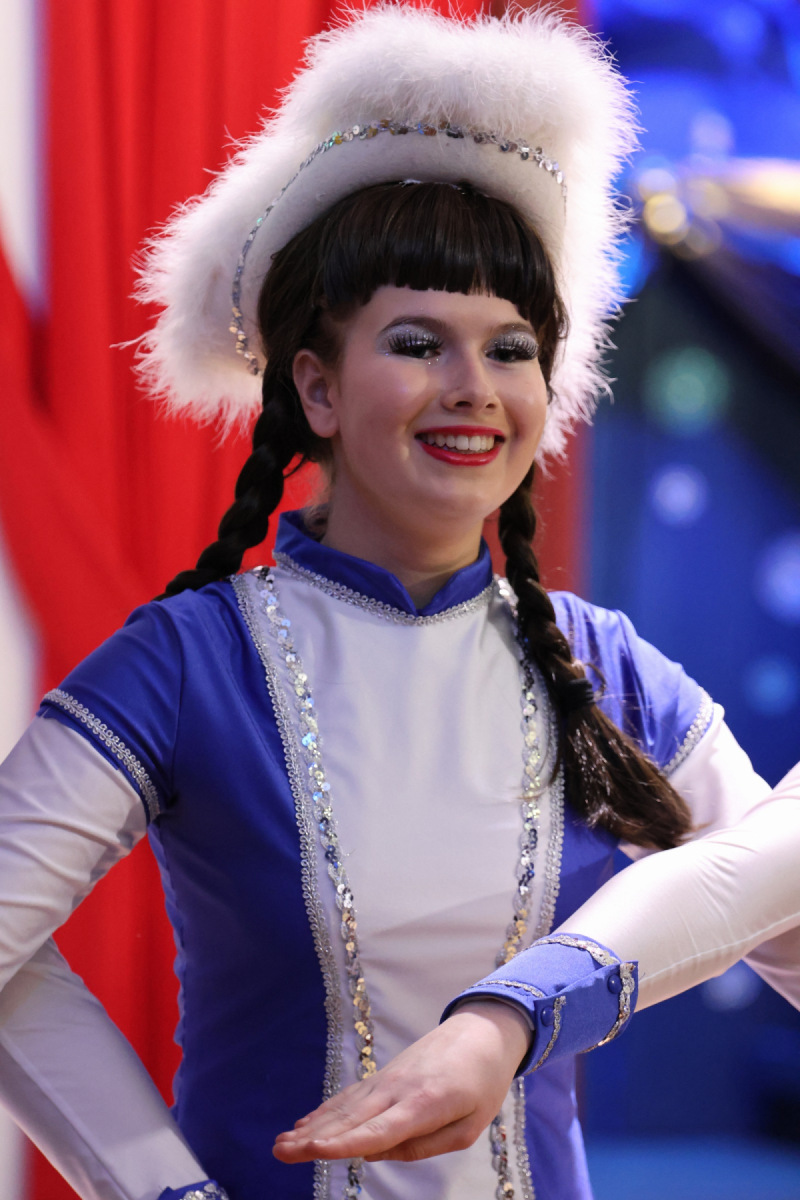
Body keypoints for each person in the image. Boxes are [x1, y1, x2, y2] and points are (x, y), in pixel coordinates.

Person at [0, 7, 797, 1200]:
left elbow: (780, 902)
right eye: (419, 341)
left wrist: (526, 1006)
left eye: (511, 347)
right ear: (315, 388)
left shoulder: (604, 670)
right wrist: (159, 1186)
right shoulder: (189, 662)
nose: (473, 387)